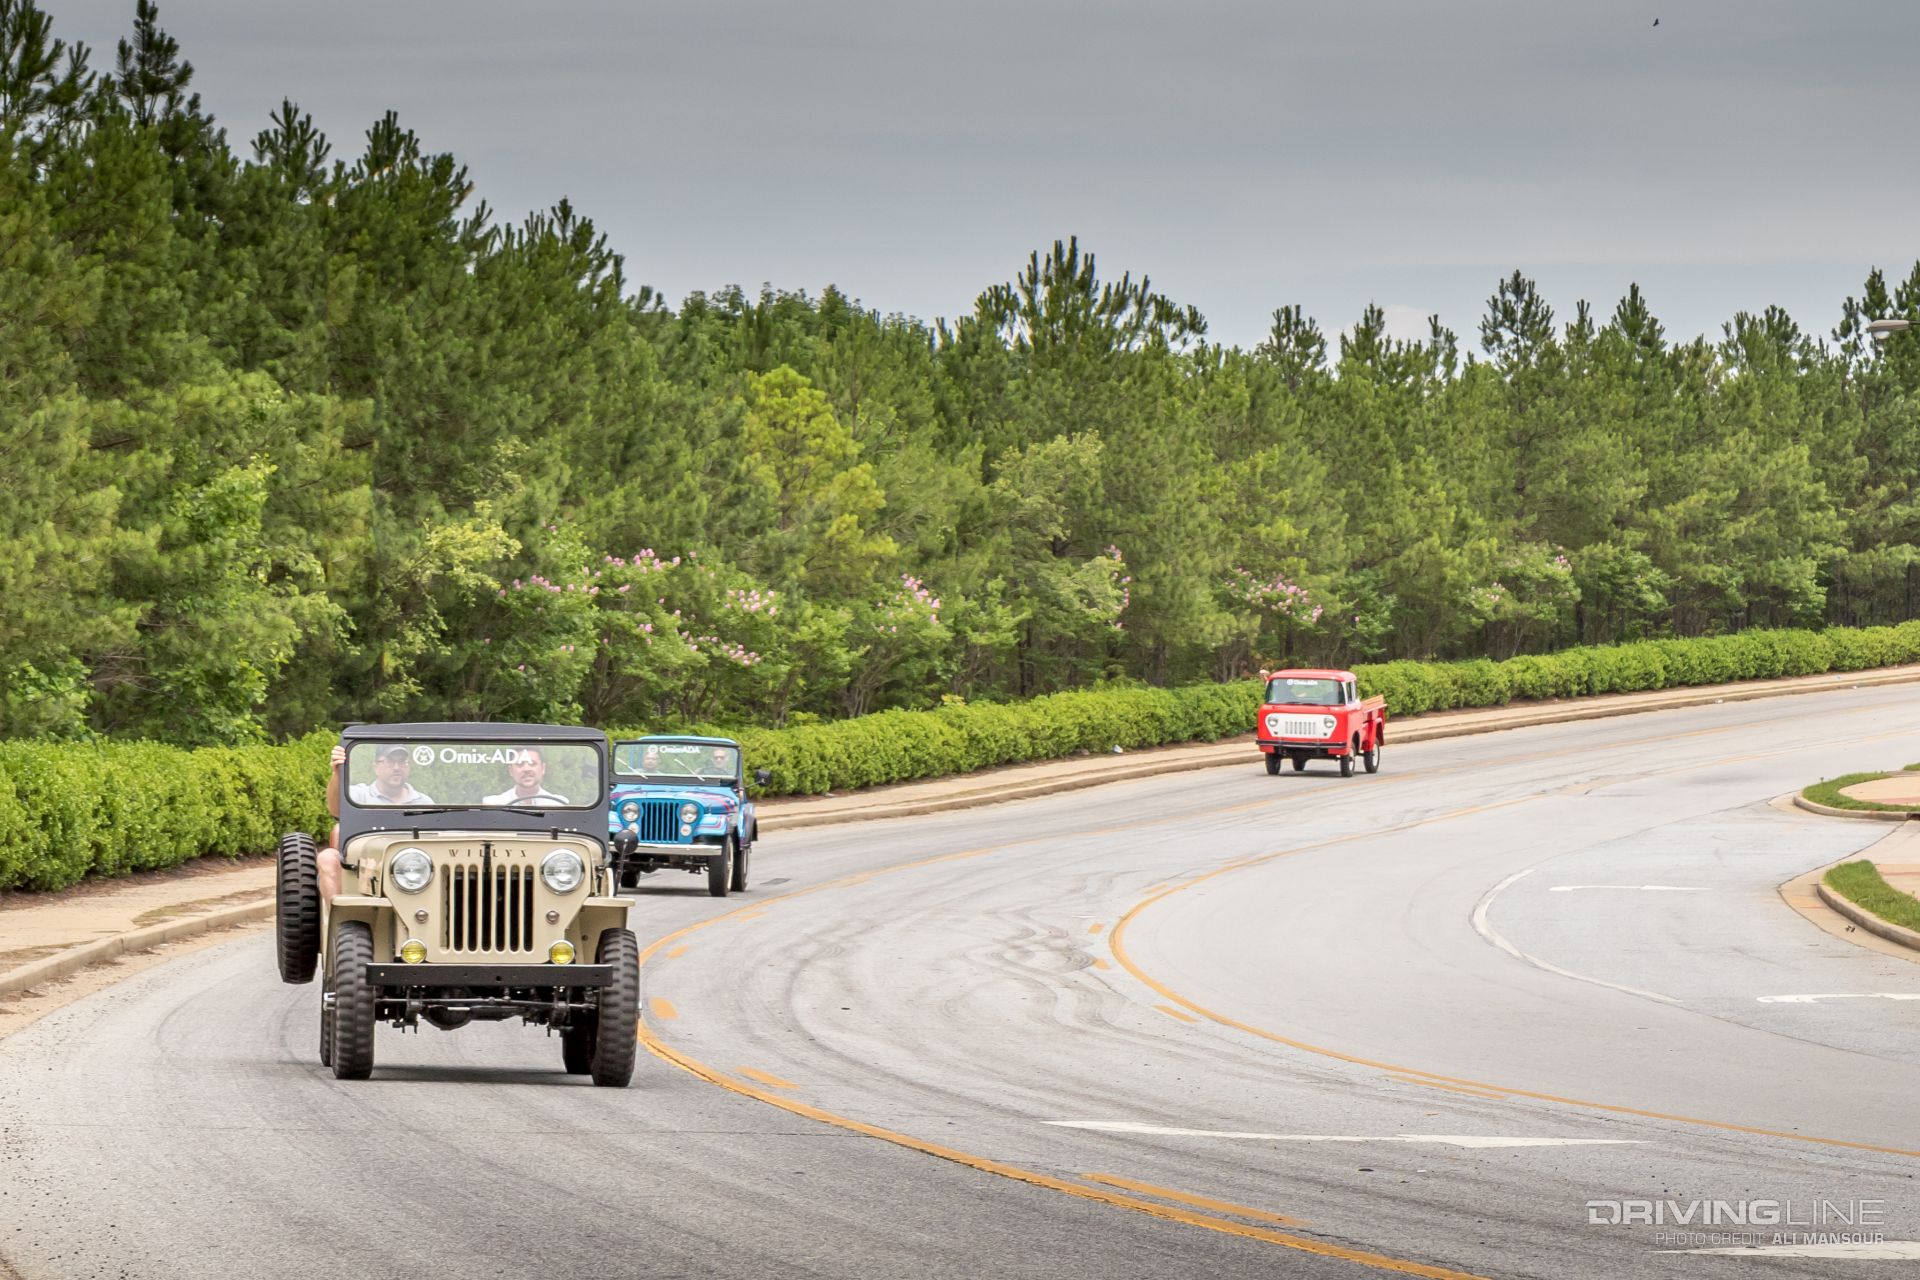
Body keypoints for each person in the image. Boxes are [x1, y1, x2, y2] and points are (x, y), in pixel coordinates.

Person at [483, 746, 569, 806]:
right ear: (511, 770)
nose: (526, 769)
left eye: (532, 763)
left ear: (543, 768)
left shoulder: (558, 804)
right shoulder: (493, 804)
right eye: (520, 764)